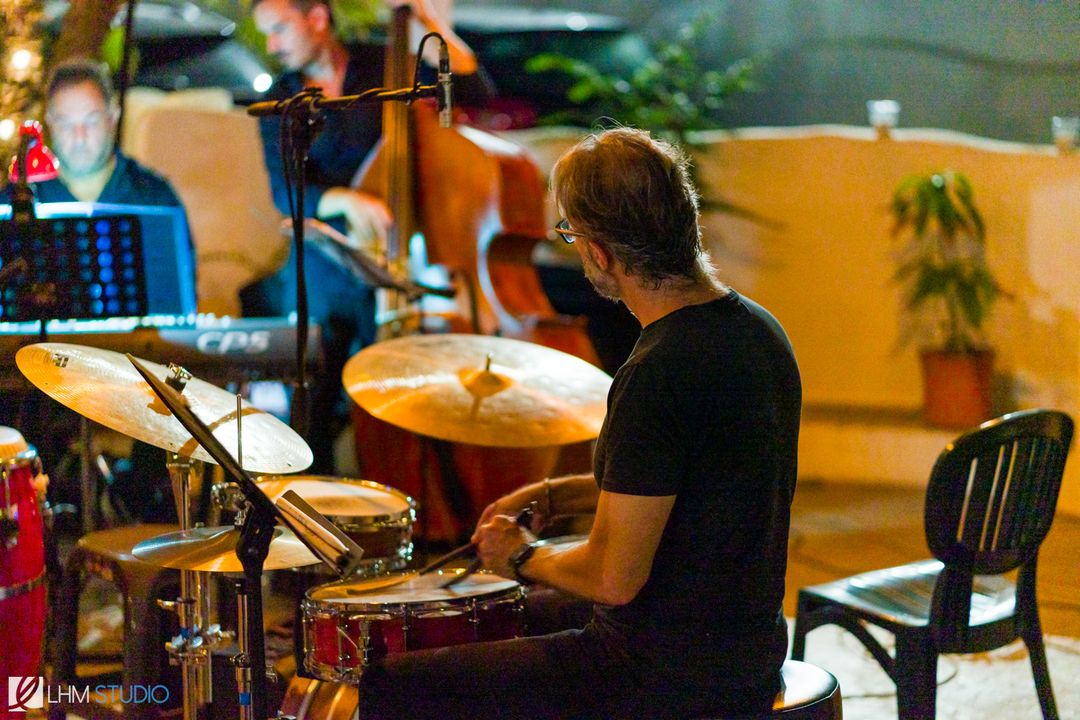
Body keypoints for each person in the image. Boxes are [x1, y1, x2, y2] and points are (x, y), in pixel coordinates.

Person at [356, 127, 802, 719]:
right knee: (499, 615)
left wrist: (521, 555)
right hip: (745, 645)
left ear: (600, 252)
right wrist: (553, 494)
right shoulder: (760, 330)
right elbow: (690, 486)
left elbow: (613, 578)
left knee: (394, 681)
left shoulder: (657, 371)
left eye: (569, 233)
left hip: (659, 673)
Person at [245, 0, 483, 473]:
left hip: (407, 252)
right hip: (329, 257)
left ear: (317, 18)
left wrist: (422, 17)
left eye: (279, 29)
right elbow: (284, 190)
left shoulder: (382, 63)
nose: (272, 45)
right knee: (313, 380)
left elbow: (473, 87)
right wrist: (345, 199)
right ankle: (311, 486)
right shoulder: (282, 99)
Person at [10, 58, 193, 523]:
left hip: (134, 366)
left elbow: (179, 303)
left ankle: (142, 512)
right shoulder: (21, 201)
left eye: (90, 121)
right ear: (49, 126)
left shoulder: (153, 195)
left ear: (113, 117)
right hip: (44, 366)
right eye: (65, 124)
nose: (79, 136)